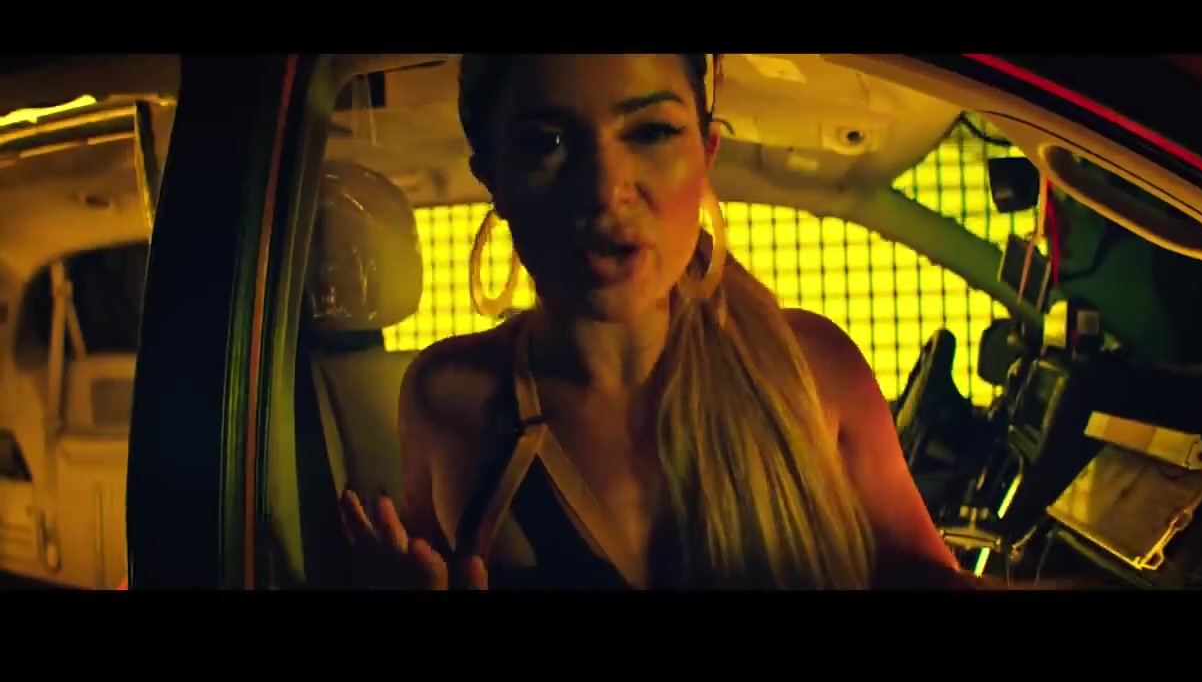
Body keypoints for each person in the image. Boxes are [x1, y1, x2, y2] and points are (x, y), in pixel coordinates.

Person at [338, 54, 967, 589]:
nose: (605, 189)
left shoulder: (813, 373)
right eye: (546, 143)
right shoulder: (450, 399)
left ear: (707, 150)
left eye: (651, 132)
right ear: (491, 179)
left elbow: (926, 577)